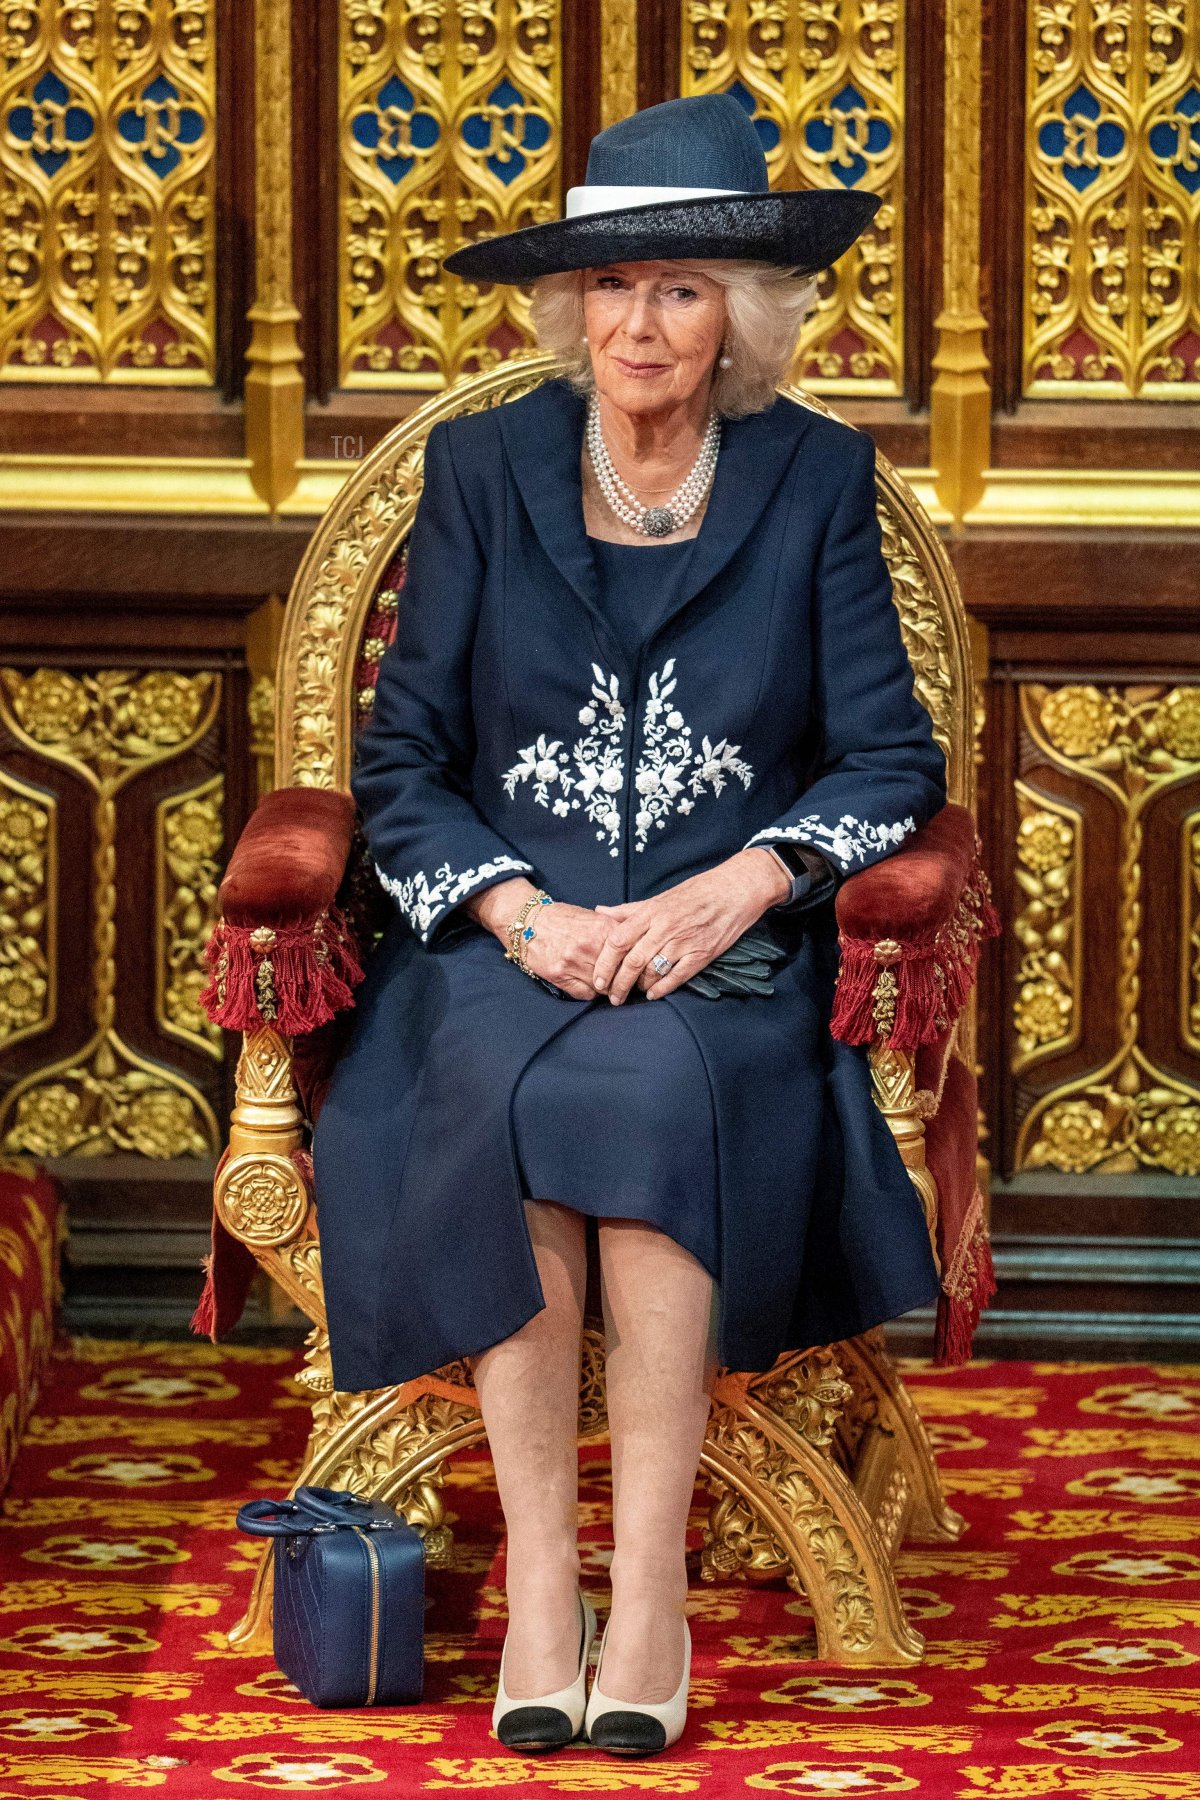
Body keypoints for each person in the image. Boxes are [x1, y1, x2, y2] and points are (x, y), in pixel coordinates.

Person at [311, 92, 948, 1758]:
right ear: (569, 303)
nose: (640, 322)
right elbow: (403, 762)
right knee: (502, 1091)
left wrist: (746, 882)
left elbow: (891, 758)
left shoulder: (816, 478)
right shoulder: (482, 468)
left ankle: (647, 1586)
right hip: (504, 936)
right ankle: (545, 1582)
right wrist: (516, 910)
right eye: (612, 284)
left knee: (655, 1092)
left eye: (680, 288)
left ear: (742, 316)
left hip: (719, 948)